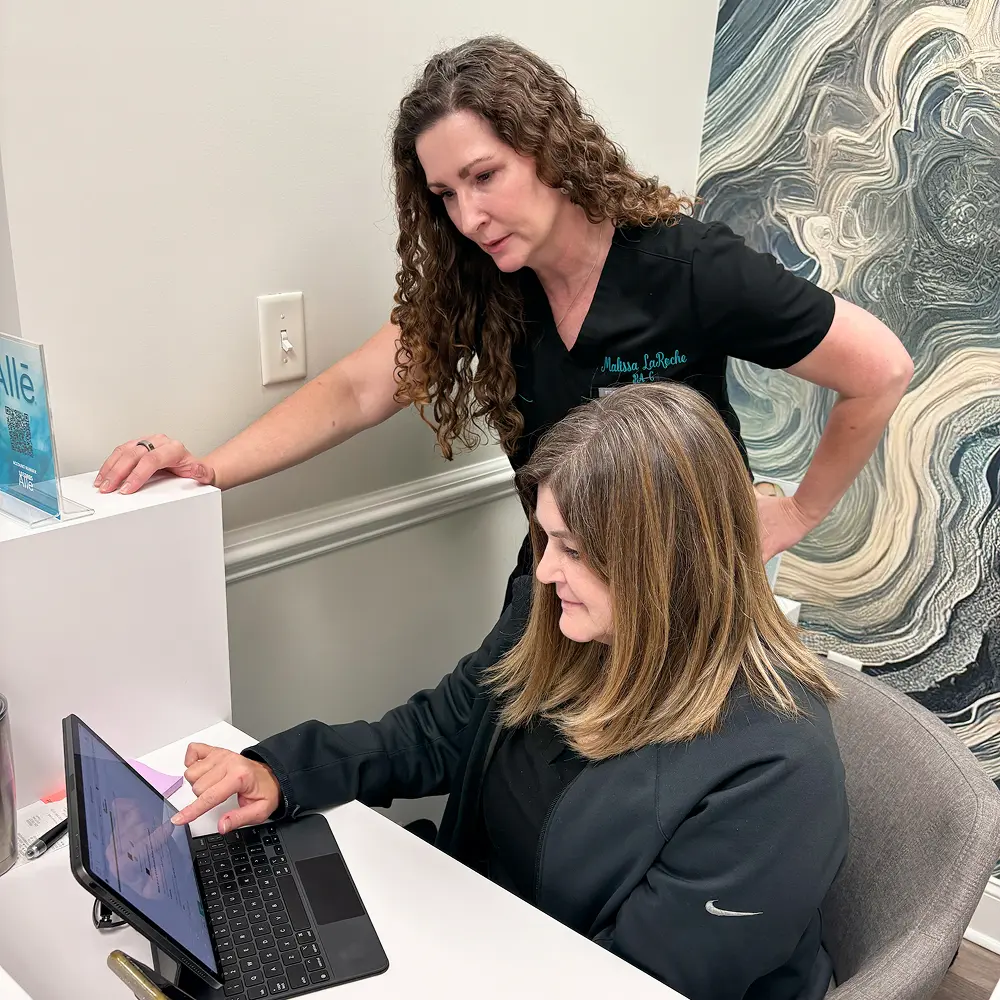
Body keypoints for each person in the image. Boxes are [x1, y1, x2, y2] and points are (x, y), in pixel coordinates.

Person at [93, 36, 912, 600]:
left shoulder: (688, 267)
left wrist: (798, 513)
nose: (469, 216)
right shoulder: (485, 281)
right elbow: (356, 389)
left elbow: (879, 370)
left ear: (550, 147)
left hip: (686, 593)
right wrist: (207, 470)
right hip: (559, 579)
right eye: (446, 194)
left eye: (485, 176)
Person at [169, 383, 849, 1000]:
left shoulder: (777, 771)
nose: (545, 570)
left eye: (573, 549)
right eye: (545, 539)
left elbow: (637, 983)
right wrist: (281, 772)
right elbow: (434, 733)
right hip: (477, 934)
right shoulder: (553, 621)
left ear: (665, 563)